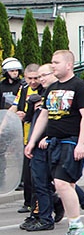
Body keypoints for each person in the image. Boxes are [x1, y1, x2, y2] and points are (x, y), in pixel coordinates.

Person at [24, 51, 84, 235]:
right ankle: (79, 218)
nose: (53, 66)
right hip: (53, 142)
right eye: (52, 63)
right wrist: (31, 141)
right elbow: (44, 116)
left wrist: (81, 143)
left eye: (56, 62)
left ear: (69, 64)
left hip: (70, 141)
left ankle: (76, 227)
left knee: (62, 183)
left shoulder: (80, 87)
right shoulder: (52, 88)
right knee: (64, 184)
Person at [10, 64, 41, 212]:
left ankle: (42, 203)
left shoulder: (44, 90)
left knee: (38, 175)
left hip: (39, 137)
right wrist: (9, 118)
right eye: (30, 78)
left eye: (36, 78)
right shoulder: (23, 89)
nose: (33, 81)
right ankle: (28, 202)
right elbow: (15, 106)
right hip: (25, 137)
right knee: (27, 175)